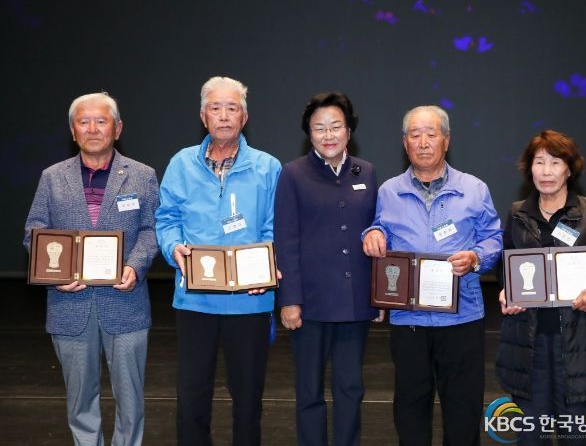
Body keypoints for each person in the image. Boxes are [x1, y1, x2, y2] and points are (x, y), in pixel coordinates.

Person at [23, 92, 159, 446]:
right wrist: (55, 274)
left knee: (131, 399)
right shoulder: (52, 177)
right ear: (73, 131)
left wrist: (135, 265)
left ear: (118, 128)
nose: (93, 128)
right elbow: (34, 232)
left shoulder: (142, 175)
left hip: (126, 302)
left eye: (101, 121)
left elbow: (152, 230)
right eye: (84, 122)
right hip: (69, 305)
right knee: (79, 400)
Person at [363, 105, 503, 445]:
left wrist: (476, 258)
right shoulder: (389, 191)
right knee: (410, 407)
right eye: (415, 135)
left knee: (463, 408)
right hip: (408, 319)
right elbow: (380, 228)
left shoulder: (474, 188)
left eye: (431, 134)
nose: (423, 142)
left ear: (446, 140)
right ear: (405, 143)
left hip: (461, 317)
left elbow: (493, 239)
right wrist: (372, 233)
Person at [155, 76, 282, 446]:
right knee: (192, 398)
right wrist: (173, 248)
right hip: (195, 300)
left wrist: (266, 266)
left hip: (250, 301)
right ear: (203, 116)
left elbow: (276, 226)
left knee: (248, 400)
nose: (224, 115)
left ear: (244, 117)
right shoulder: (181, 164)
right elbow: (167, 219)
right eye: (215, 108)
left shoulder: (268, 167)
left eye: (232, 108)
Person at [495, 130, 586, 445]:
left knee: (575, 436)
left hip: (579, 342)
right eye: (539, 162)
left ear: (569, 169)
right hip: (529, 343)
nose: (546, 171)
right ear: (529, 168)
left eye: (555, 163)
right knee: (531, 436)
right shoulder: (518, 213)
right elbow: (506, 265)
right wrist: (506, 290)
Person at [274, 92, 381, 446]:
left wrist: (380, 295)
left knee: (351, 387)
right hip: (310, 303)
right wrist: (290, 299)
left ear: (349, 130)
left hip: (355, 302)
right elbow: (286, 239)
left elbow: (377, 231)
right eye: (319, 128)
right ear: (309, 133)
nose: (328, 134)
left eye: (336, 126)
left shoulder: (366, 171)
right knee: (309, 390)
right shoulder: (293, 174)